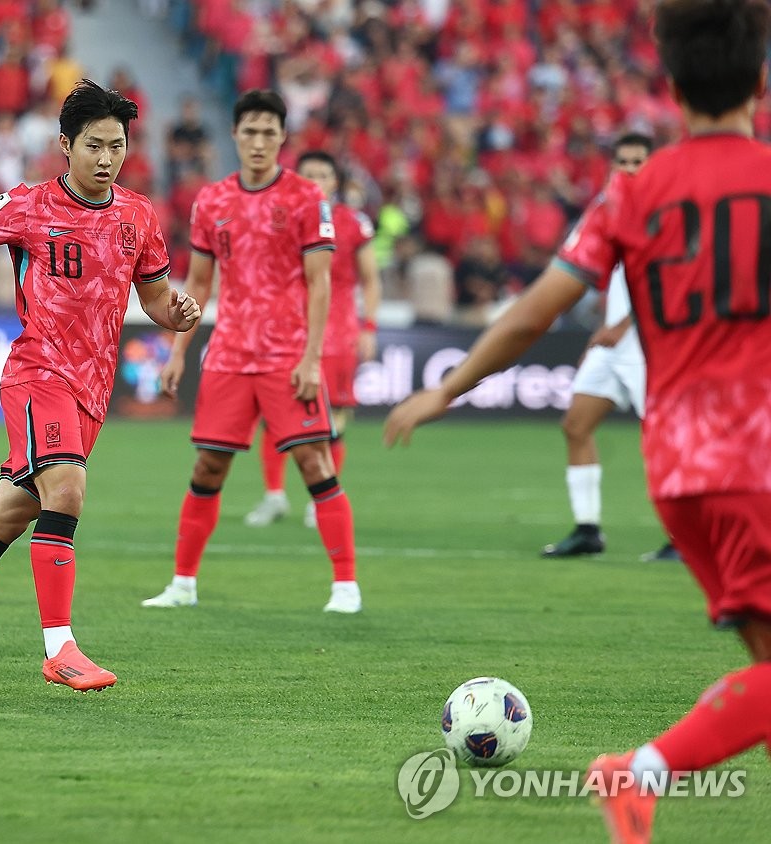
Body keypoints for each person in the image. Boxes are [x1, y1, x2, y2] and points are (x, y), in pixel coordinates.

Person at [385, 2, 771, 840]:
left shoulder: (633, 191)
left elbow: (529, 317)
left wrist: (444, 390)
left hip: (679, 475)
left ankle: (641, 779)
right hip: (759, 464)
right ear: (761, 79)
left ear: (670, 86)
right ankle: (638, 775)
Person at [0, 80, 200, 695]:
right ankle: (60, 647)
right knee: (68, 487)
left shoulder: (137, 215)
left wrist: (176, 314)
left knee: (6, 517)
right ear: (65, 145)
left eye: (118, 146)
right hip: (37, 374)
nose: (107, 159)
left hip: (92, 391)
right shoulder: (28, 205)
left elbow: (154, 298)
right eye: (95, 146)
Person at [142, 90, 361, 614]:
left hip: (288, 356)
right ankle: (183, 584)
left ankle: (346, 586)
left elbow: (321, 283)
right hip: (229, 355)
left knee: (314, 462)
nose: (259, 141)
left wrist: (311, 358)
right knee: (207, 468)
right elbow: (197, 283)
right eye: (250, 131)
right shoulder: (211, 201)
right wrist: (176, 351)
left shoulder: (308, 198)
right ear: (235, 135)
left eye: (269, 132)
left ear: (282, 137)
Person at [541, 132, 680, 563]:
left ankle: (683, 539)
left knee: (667, 441)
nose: (630, 169)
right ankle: (587, 530)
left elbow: (671, 282)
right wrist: (604, 330)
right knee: (576, 426)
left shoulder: (667, 216)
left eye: (638, 161)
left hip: (646, 345)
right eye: (623, 161)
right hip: (614, 343)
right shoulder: (613, 214)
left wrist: (624, 324)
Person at [245, 150, 381, 529]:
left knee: (332, 420)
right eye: (308, 174)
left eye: (323, 174)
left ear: (335, 182)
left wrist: (369, 326)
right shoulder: (278, 221)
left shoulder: (353, 223)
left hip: (337, 333)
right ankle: (274, 496)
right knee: (274, 416)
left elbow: (370, 279)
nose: (315, 181)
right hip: (285, 330)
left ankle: (321, 499)